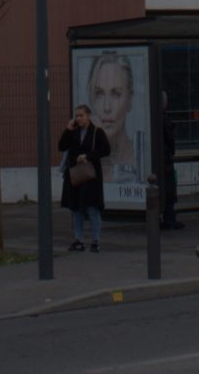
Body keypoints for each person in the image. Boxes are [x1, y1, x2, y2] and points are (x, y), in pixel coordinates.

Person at [57, 105, 112, 253]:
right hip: (75, 174)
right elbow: (61, 147)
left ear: (88, 116)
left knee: (92, 208)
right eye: (76, 116)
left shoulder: (96, 132)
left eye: (81, 115)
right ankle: (78, 240)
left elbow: (106, 149)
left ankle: (95, 240)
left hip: (91, 175)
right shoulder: (73, 132)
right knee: (76, 208)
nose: (78, 118)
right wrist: (67, 130)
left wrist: (88, 156)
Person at [86, 51, 139, 179]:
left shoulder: (139, 158)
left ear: (130, 99)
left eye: (116, 94)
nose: (107, 107)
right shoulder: (84, 149)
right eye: (99, 93)